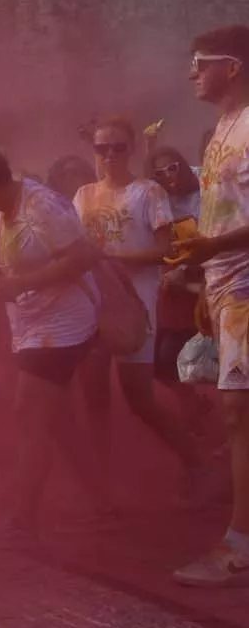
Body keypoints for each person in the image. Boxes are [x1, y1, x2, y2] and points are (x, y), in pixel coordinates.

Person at [0, 148, 110, 543]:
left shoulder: (42, 205)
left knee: (30, 413)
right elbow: (12, 266)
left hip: (62, 324)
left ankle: (23, 517)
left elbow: (84, 256)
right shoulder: (7, 211)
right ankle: (103, 499)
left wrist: (22, 284)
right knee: (58, 420)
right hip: (34, 324)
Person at [73, 117, 203, 497]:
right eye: (102, 148)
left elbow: (167, 251)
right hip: (91, 306)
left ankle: (196, 462)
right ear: (94, 151)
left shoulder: (148, 192)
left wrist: (115, 258)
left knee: (140, 400)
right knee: (93, 395)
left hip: (135, 308)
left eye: (118, 147)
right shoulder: (83, 195)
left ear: (130, 150)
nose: (110, 155)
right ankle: (102, 482)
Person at [171, 25, 249, 587]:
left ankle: (238, 543)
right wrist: (204, 273)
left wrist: (211, 250)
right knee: (236, 413)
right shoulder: (223, 127)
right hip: (225, 287)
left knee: (237, 413)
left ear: (235, 66)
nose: (192, 71)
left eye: (201, 61)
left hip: (246, 285)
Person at [148, 146, 213, 425]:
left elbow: (217, 242)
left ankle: (207, 422)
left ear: (183, 165)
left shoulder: (206, 192)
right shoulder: (159, 200)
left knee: (188, 357)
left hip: (206, 284)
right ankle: (196, 408)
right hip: (172, 292)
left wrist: (186, 272)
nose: (167, 176)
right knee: (157, 363)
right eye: (159, 173)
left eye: (172, 168)